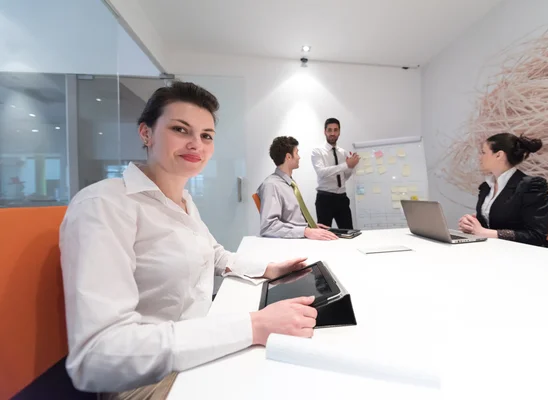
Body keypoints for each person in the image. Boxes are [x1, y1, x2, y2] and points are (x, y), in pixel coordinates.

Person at [59, 82, 318, 399]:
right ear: (146, 133)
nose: (196, 144)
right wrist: (254, 326)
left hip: (198, 348)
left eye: (206, 135)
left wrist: (269, 269)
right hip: (150, 381)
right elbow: (97, 356)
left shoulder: (182, 202)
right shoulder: (105, 206)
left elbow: (216, 255)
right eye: (181, 129)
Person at [458, 132, 548, 246]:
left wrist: (484, 232)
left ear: (499, 155)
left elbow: (535, 235)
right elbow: (492, 223)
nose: (480, 157)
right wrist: (471, 225)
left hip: (519, 255)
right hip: (491, 250)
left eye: (483, 152)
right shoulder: (486, 187)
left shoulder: (532, 186)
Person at [257, 136, 338, 240]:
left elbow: (290, 219)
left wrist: (310, 226)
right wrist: (305, 231)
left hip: (300, 238)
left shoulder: (289, 183)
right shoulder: (271, 185)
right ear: (288, 157)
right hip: (292, 244)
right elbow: (268, 227)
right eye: (296, 153)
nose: (299, 157)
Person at [311, 118, 359, 229]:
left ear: (339, 132)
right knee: (324, 235)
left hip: (342, 198)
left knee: (348, 232)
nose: (333, 133)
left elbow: (344, 177)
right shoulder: (317, 151)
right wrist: (346, 165)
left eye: (335, 130)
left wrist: (351, 167)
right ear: (325, 132)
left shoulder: (343, 152)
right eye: (330, 130)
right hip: (324, 198)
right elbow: (321, 172)